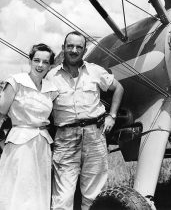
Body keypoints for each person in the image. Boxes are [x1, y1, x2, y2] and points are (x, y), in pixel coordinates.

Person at [48, 31, 124, 210]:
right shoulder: (51, 77)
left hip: (94, 135)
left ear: (85, 49)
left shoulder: (95, 71)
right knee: (62, 197)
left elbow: (118, 88)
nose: (74, 50)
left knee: (93, 194)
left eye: (79, 47)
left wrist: (111, 116)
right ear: (63, 48)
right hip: (65, 137)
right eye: (70, 46)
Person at [0, 43, 58, 210]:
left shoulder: (52, 89)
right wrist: (1, 141)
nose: (40, 65)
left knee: (36, 189)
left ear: (50, 65)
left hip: (41, 145)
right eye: (36, 60)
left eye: (45, 62)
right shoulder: (16, 82)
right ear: (30, 61)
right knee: (16, 188)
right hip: (19, 144)